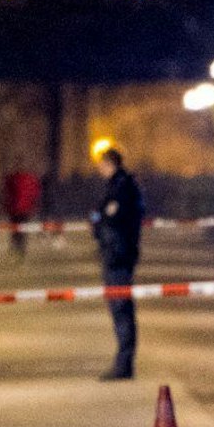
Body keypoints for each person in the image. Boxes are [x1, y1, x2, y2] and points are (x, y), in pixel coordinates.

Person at [91, 146, 144, 380]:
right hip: (115, 254)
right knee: (118, 308)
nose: (100, 169)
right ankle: (123, 361)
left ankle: (124, 363)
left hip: (118, 256)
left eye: (102, 165)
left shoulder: (122, 189)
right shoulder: (118, 186)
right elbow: (101, 216)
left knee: (121, 308)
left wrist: (101, 224)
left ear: (110, 164)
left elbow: (110, 219)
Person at [3, 166, 43, 259]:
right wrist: (33, 206)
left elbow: (7, 193)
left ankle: (15, 249)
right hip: (25, 209)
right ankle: (20, 250)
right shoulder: (31, 179)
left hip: (15, 209)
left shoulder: (13, 178)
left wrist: (7, 206)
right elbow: (35, 194)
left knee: (15, 230)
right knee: (22, 231)